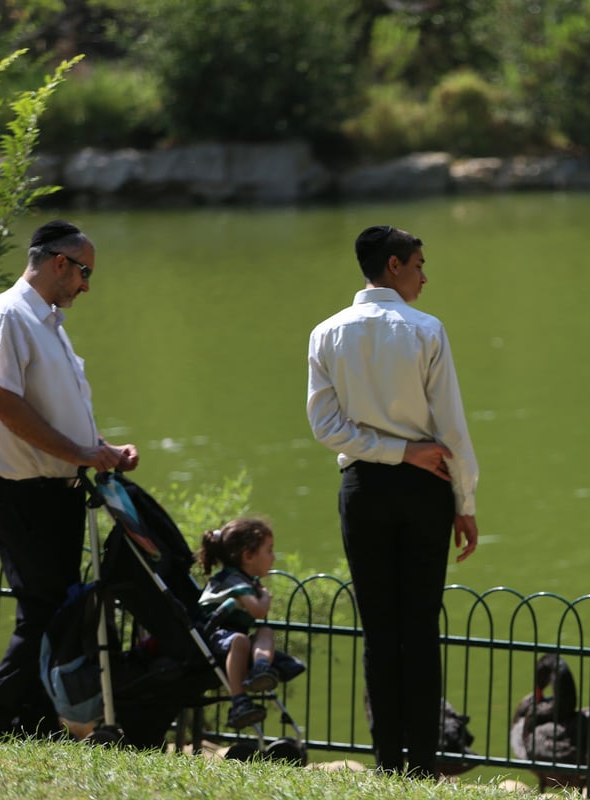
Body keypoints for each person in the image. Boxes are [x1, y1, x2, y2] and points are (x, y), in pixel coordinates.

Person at [307, 224, 479, 778]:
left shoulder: (326, 333)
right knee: (420, 628)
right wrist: (465, 500)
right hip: (426, 486)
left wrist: (388, 451)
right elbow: (451, 427)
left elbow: (325, 427)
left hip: (362, 489)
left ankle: (386, 764)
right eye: (420, 264)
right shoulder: (426, 330)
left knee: (378, 630)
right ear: (396, 265)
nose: (426, 276)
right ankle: (424, 765)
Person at [0, 220, 140, 737]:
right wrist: (78, 452)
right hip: (25, 490)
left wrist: (99, 452)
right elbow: (1, 399)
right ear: (60, 262)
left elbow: (55, 410)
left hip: (57, 488)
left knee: (57, 604)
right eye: (84, 272)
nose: (86, 285)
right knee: (45, 606)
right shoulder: (9, 314)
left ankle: (32, 718)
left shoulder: (46, 323)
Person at [195, 518, 304, 729]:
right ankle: (239, 702)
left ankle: (261, 668)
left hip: (234, 637)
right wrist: (265, 597)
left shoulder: (244, 580)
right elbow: (258, 610)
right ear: (248, 556)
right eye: (269, 550)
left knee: (265, 631)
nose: (273, 557)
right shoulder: (233, 581)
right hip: (213, 637)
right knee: (241, 641)